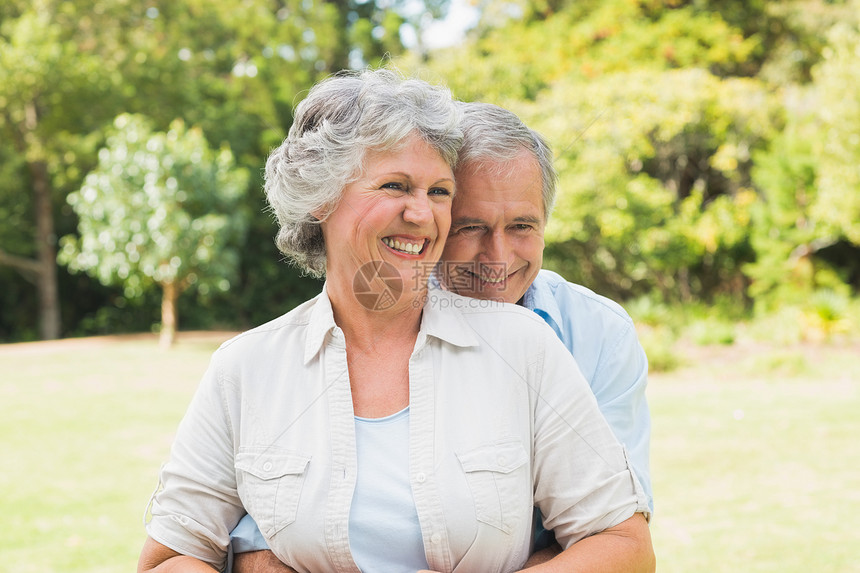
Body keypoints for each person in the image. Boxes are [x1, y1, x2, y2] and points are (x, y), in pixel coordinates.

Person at [138, 69, 654, 573]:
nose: (422, 214)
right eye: (395, 186)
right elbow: (171, 555)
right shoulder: (244, 368)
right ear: (320, 198)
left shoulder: (526, 345)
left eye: (439, 192)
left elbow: (623, 543)